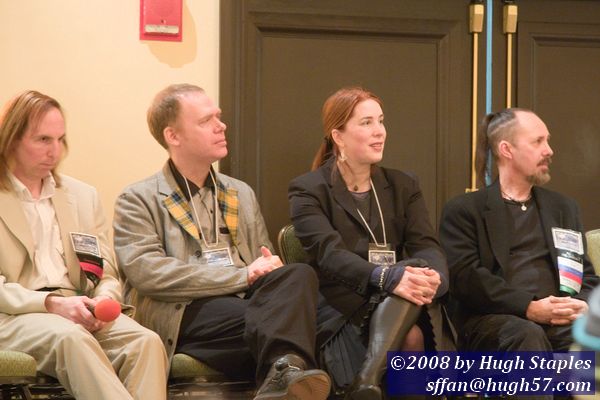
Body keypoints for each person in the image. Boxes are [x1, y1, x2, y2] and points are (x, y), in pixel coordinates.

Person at [112, 83, 331, 400]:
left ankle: (283, 370)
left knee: (299, 275)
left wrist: (267, 270)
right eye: (206, 121)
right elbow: (148, 273)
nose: (221, 125)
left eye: (219, 116)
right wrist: (242, 276)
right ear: (173, 136)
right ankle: (291, 371)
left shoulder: (239, 192)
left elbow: (262, 261)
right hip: (183, 312)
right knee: (303, 324)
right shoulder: (138, 198)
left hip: (241, 309)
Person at [0, 90, 168, 400]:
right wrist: (51, 304)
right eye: (43, 140)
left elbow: (105, 273)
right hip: (14, 316)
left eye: (60, 140)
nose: (55, 151)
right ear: (11, 140)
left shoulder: (82, 196)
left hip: (79, 307)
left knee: (146, 342)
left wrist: (101, 301)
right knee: (72, 338)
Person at [288, 87, 452, 400]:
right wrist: (386, 277)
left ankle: (368, 378)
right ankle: (366, 378)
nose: (379, 132)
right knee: (412, 334)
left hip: (402, 297)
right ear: (338, 135)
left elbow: (428, 245)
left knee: (418, 271)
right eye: (366, 123)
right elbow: (330, 256)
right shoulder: (309, 190)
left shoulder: (403, 185)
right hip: (344, 306)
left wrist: (435, 279)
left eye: (381, 121)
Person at [439, 108, 599, 353]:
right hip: (496, 321)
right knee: (527, 335)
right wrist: (529, 307)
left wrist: (580, 305)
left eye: (548, 140)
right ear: (507, 150)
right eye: (538, 141)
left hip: (560, 319)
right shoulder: (465, 209)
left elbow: (585, 275)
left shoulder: (563, 208)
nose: (549, 150)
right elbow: (466, 278)